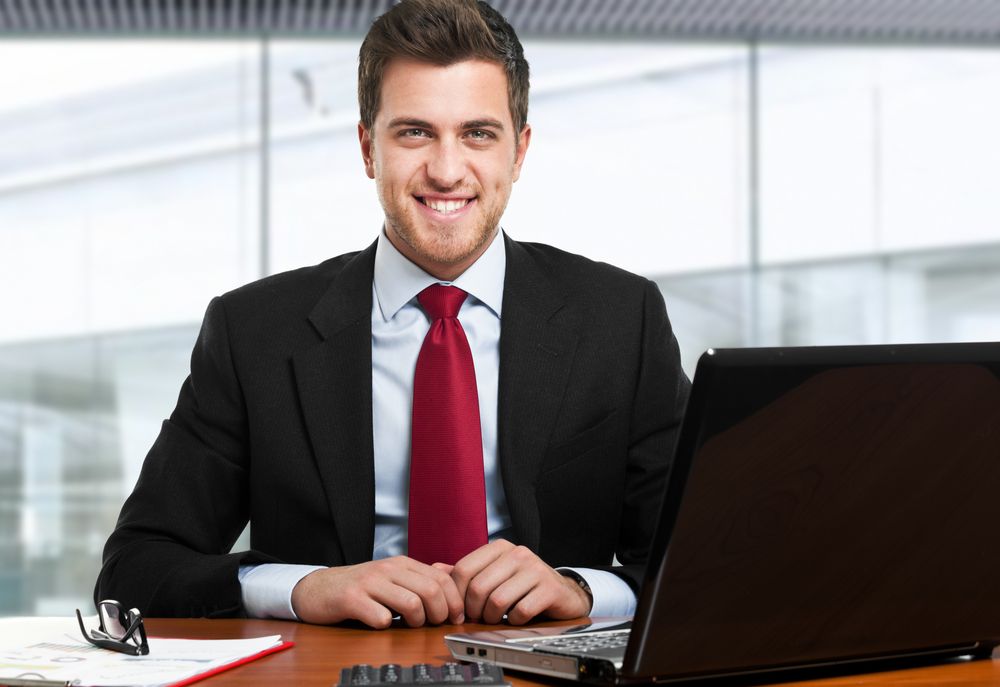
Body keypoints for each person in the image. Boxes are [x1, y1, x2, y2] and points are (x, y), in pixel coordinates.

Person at [95, 0, 690, 630]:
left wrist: (581, 591)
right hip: (330, 669)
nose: (446, 169)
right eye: (414, 132)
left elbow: (702, 562)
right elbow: (135, 567)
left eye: (478, 133)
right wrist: (303, 589)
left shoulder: (622, 320)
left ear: (519, 151)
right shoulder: (253, 333)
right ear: (367, 148)